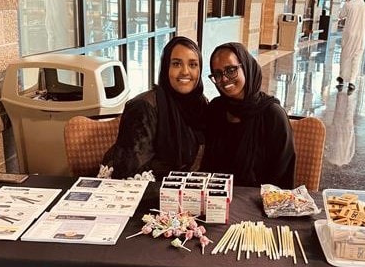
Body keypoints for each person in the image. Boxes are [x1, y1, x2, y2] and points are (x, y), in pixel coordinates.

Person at [100, 36, 208, 179]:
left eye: (193, 64)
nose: (185, 72)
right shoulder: (143, 107)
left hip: (187, 192)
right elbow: (131, 171)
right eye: (176, 64)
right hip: (144, 192)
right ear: (165, 68)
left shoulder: (201, 104)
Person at [201, 42, 296, 188]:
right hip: (216, 200)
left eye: (231, 70)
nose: (224, 79)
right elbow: (207, 165)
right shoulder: (216, 109)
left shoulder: (272, 115)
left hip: (260, 203)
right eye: (218, 74)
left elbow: (281, 176)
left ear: (246, 66)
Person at [336, 0, 365, 92]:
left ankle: (342, 77)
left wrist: (346, 2)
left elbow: (340, 15)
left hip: (349, 34)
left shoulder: (349, 4)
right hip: (360, 35)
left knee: (345, 55)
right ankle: (352, 81)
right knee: (357, 57)